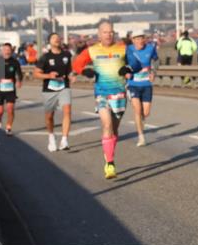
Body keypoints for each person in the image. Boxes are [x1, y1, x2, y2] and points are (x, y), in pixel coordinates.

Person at [72, 20, 134, 179]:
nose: (108, 34)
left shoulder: (123, 48)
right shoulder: (92, 50)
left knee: (114, 129)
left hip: (119, 94)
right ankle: (110, 163)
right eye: (105, 32)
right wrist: (84, 71)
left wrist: (128, 68)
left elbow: (136, 64)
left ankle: (109, 153)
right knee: (106, 125)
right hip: (101, 94)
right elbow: (76, 64)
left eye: (111, 32)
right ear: (99, 34)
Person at [33, 32, 73, 152]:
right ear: (49, 42)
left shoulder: (67, 55)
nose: (57, 39)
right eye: (54, 38)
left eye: (58, 38)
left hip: (64, 87)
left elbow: (70, 70)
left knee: (67, 110)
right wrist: (49, 75)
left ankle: (64, 140)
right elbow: (36, 74)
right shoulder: (45, 57)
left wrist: (72, 75)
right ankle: (51, 136)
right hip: (49, 89)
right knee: (49, 116)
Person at [126, 29, 160, 147]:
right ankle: (141, 136)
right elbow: (122, 62)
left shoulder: (150, 48)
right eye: (137, 38)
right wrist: (125, 72)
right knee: (137, 110)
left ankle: (141, 121)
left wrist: (153, 72)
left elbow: (156, 60)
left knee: (145, 113)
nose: (140, 41)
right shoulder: (128, 49)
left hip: (146, 84)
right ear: (133, 40)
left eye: (142, 38)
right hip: (133, 84)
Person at [0, 42, 23, 135]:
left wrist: (19, 80)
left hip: (10, 88)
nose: (7, 52)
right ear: (2, 51)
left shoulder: (15, 62)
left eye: (9, 50)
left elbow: (19, 73)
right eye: (5, 50)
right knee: (0, 111)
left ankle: (8, 128)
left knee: (10, 109)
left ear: (11, 51)